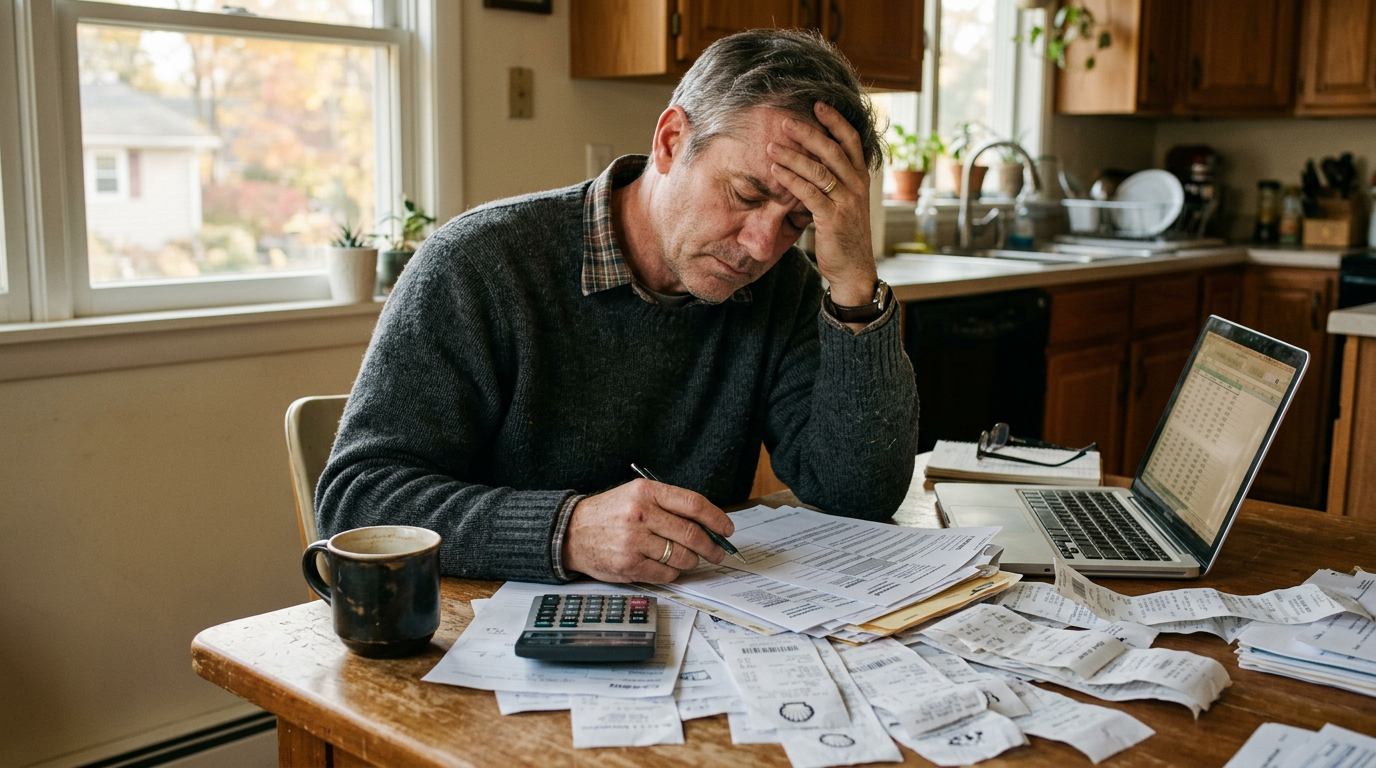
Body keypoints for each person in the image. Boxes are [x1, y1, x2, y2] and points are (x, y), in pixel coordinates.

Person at [315, 29, 919, 585]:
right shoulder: (479, 264)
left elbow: (858, 495)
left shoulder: (783, 287)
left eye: (798, 220)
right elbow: (356, 501)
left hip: (694, 630)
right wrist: (567, 532)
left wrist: (855, 285)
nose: (762, 245)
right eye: (745, 193)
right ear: (671, 140)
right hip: (474, 634)